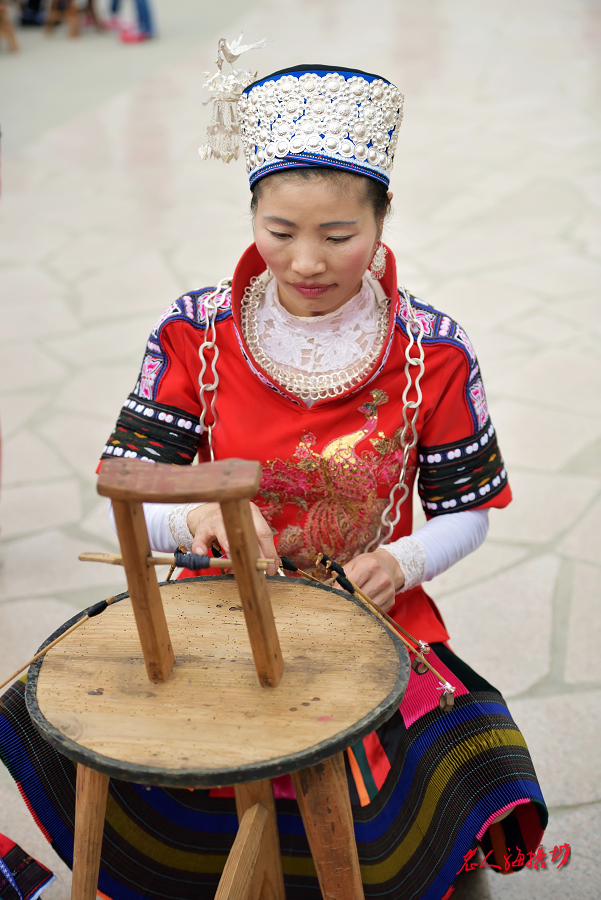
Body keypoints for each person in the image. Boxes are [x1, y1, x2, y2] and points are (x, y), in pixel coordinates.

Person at [0, 62, 547, 899]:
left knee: (420, 817)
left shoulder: (432, 350)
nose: (305, 262)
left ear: (382, 219)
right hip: (212, 613)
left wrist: (401, 562)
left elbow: (466, 513)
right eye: (278, 228)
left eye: (338, 235)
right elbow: (125, 498)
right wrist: (193, 525)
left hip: (370, 617)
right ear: (251, 213)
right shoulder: (195, 332)